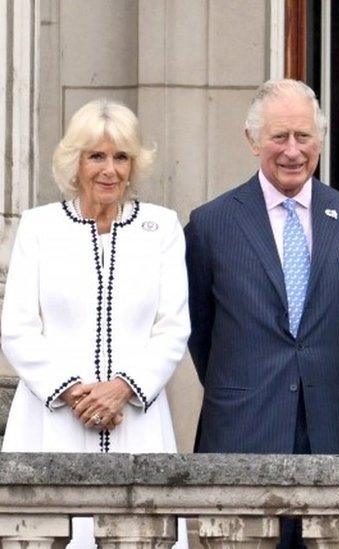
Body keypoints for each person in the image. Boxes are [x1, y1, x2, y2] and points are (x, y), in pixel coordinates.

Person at [185, 79, 339, 547]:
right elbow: (199, 331)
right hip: (242, 429)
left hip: (333, 427)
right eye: (279, 137)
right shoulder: (210, 224)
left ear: (321, 139)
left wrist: (315, 370)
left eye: (303, 136)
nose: (292, 151)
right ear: (252, 140)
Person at [1, 99, 190, 546]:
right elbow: (17, 328)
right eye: (96, 156)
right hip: (53, 423)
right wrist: (75, 392)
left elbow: (173, 328)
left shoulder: (161, 228)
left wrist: (122, 387)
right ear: (76, 162)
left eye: (121, 157)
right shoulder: (39, 227)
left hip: (135, 420)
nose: (109, 170)